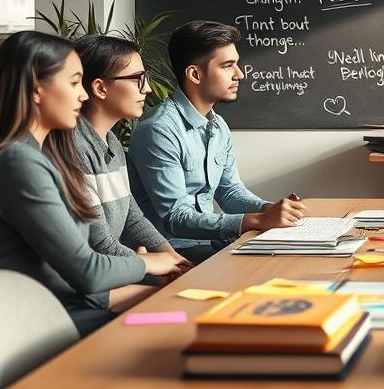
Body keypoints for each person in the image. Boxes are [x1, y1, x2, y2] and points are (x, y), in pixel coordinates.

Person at [0, 31, 183, 336]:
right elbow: (87, 270)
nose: (83, 94)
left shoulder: (37, 154)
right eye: (73, 82)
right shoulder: (19, 162)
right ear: (36, 90)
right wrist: (148, 265)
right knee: (178, 323)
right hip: (42, 321)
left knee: (180, 312)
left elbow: (70, 271)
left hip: (75, 303)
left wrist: (151, 271)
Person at [128, 20, 306, 264]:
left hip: (211, 244)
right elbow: (176, 218)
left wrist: (270, 210)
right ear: (195, 74)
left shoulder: (217, 125)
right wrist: (256, 220)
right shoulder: (158, 130)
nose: (239, 74)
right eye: (227, 66)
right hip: (175, 252)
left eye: (237, 64)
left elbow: (229, 192)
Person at [73, 35, 193, 282]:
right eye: (137, 79)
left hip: (119, 269)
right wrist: (148, 264)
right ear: (100, 88)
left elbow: (132, 218)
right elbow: (97, 243)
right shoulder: (74, 147)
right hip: (92, 283)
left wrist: (172, 259)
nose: (147, 88)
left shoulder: (112, 142)